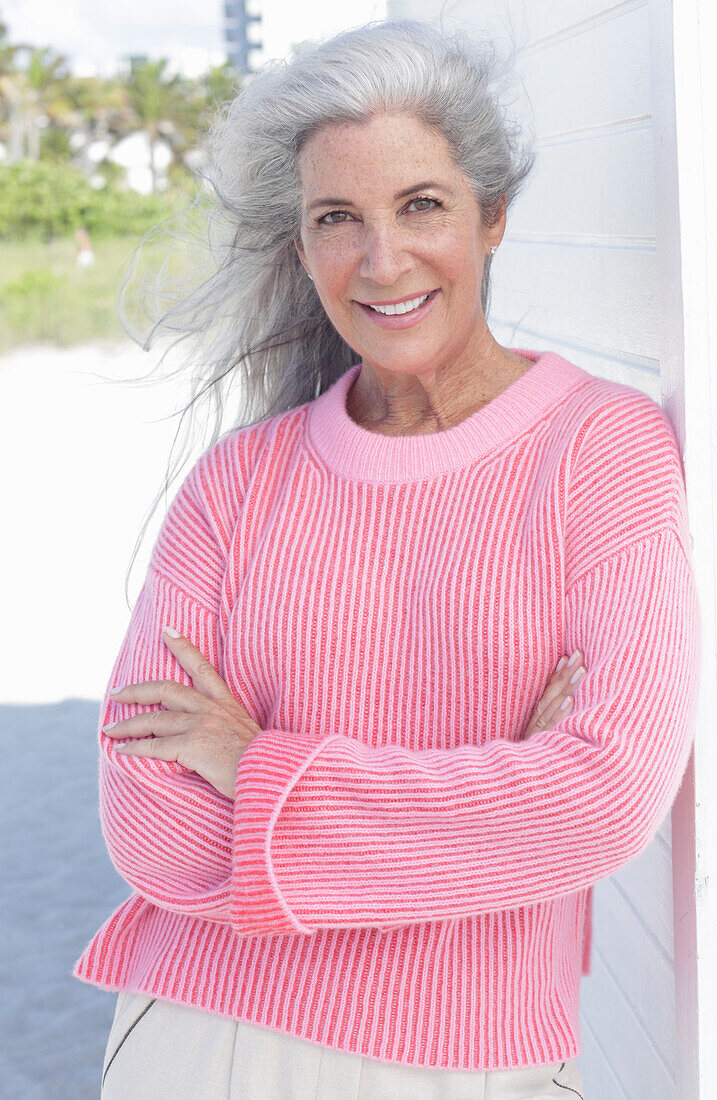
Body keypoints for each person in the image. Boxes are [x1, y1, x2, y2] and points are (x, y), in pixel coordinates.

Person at [73, 18, 701, 1100]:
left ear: (492, 215)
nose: (383, 259)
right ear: (303, 241)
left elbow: (601, 800)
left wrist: (256, 763)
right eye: (337, 218)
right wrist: (496, 800)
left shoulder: (601, 449)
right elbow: (153, 830)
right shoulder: (238, 483)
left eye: (421, 205)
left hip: (475, 1059)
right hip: (204, 1041)